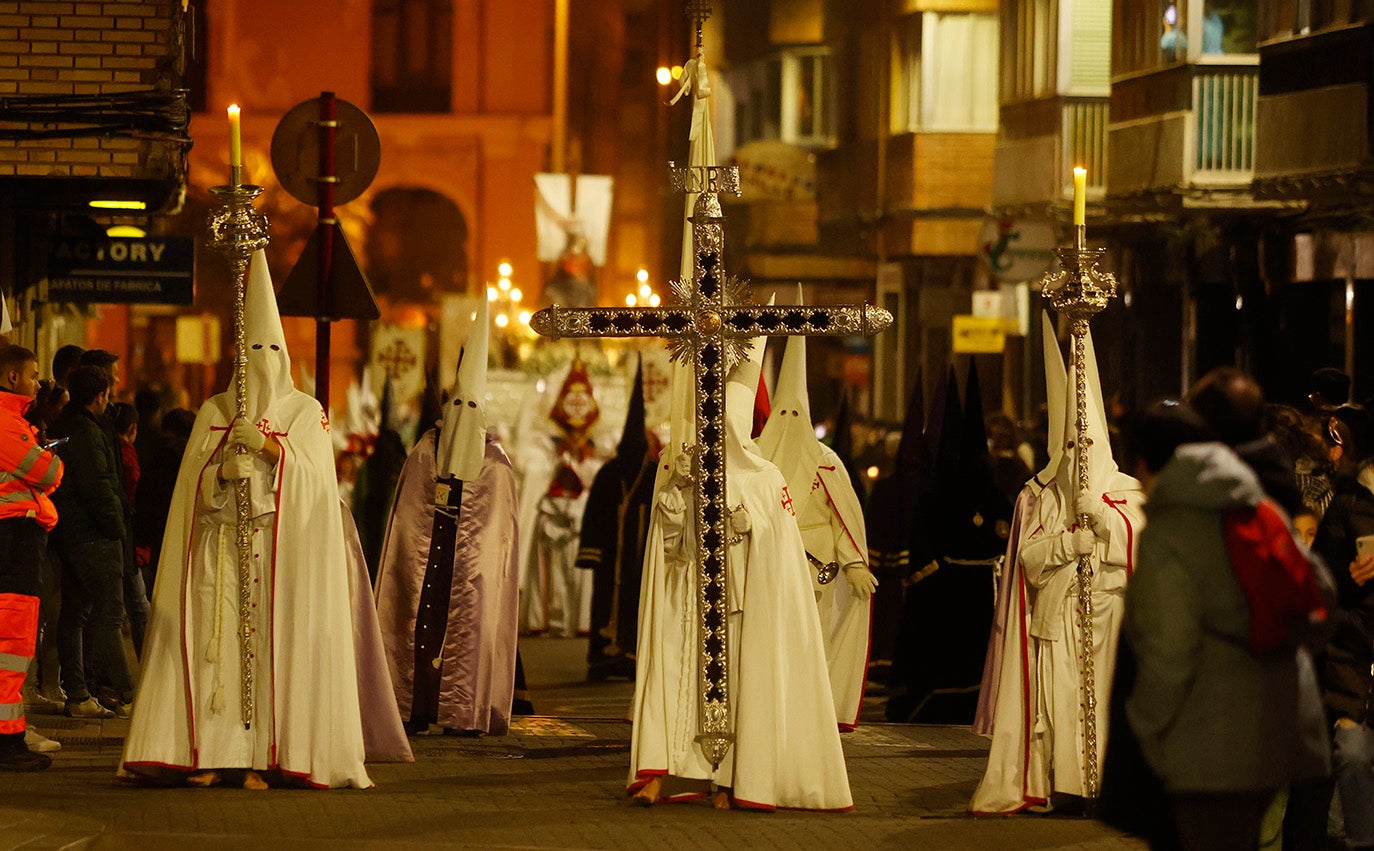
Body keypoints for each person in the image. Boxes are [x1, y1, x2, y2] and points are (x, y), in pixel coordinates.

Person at [120, 250, 371, 789]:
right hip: (220, 555)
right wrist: (219, 474)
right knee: (218, 654)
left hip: (277, 556)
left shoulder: (306, 413)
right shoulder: (214, 410)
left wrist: (272, 451)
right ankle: (210, 751)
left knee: (268, 654)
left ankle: (263, 756)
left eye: (270, 348)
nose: (260, 359)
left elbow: (319, 487)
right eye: (251, 348)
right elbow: (190, 489)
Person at [628, 334, 852, 811]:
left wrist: (745, 524)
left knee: (739, 687)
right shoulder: (685, 463)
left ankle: (731, 778)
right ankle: (663, 770)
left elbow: (779, 550)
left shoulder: (767, 478)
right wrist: (677, 496)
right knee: (678, 680)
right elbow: (667, 542)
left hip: (743, 604)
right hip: (690, 599)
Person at [1122, 401, 1331, 850]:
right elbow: (1319, 601)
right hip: (1279, 731)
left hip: (1209, 747)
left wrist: (1142, 728)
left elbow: (1169, 655)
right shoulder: (1260, 504)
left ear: (1144, 464)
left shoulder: (1171, 531)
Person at [972, 325, 1145, 812]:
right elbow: (1027, 558)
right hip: (1060, 618)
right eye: (1071, 449)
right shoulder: (1043, 498)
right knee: (1064, 704)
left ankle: (1108, 787)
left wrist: (1105, 518)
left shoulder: (1128, 490)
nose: (1079, 459)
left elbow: (1141, 546)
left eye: (1087, 447)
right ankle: (1069, 784)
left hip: (1112, 614)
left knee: (1110, 702)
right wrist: (1070, 542)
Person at [374, 298, 521, 736]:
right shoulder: (424, 452)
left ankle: (461, 711)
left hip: (469, 573)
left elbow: (498, 535)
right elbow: (406, 518)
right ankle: (414, 706)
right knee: (418, 628)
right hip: (429, 562)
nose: (462, 416)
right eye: (457, 405)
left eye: (471, 407)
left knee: (469, 632)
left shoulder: (495, 465)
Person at [756, 327, 876, 730]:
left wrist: (854, 563)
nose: (789, 423)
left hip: (817, 572)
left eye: (796, 414)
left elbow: (842, 517)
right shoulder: (756, 457)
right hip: (770, 567)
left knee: (814, 642)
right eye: (782, 413)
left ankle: (812, 714)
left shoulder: (827, 462)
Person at [889, 363, 1011, 724]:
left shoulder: (989, 496)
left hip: (974, 591)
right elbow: (924, 545)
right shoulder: (941, 496)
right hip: (948, 593)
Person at [50, 365, 131, 719]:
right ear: (100, 396)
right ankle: (124, 691)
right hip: (93, 534)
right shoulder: (87, 430)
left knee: (76, 612)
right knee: (108, 614)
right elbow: (98, 485)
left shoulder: (69, 425)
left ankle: (79, 692)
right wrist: (117, 526)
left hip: (72, 532)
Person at [1311, 403, 1374, 850]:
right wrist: (1345, 579)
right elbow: (1323, 574)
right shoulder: (1346, 501)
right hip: (1354, 656)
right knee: (1352, 754)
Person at [0, 344, 63, 770]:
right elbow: (49, 473)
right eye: (33, 374)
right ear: (11, 378)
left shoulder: (14, 421)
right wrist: (48, 458)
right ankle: (7, 742)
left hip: (14, 538)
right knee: (12, 642)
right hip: (12, 540)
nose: (39, 382)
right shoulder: (5, 424)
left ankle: (11, 736)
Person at [576, 358, 657, 682]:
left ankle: (631, 655)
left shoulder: (652, 474)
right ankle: (604, 658)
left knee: (636, 604)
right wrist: (591, 552)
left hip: (638, 557)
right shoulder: (610, 473)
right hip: (611, 557)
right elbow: (594, 513)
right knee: (607, 603)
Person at [517, 359, 602, 636]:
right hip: (551, 517)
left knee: (576, 574)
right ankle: (546, 618)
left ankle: (576, 620)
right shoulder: (542, 449)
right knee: (548, 573)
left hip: (577, 520)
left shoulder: (595, 459)